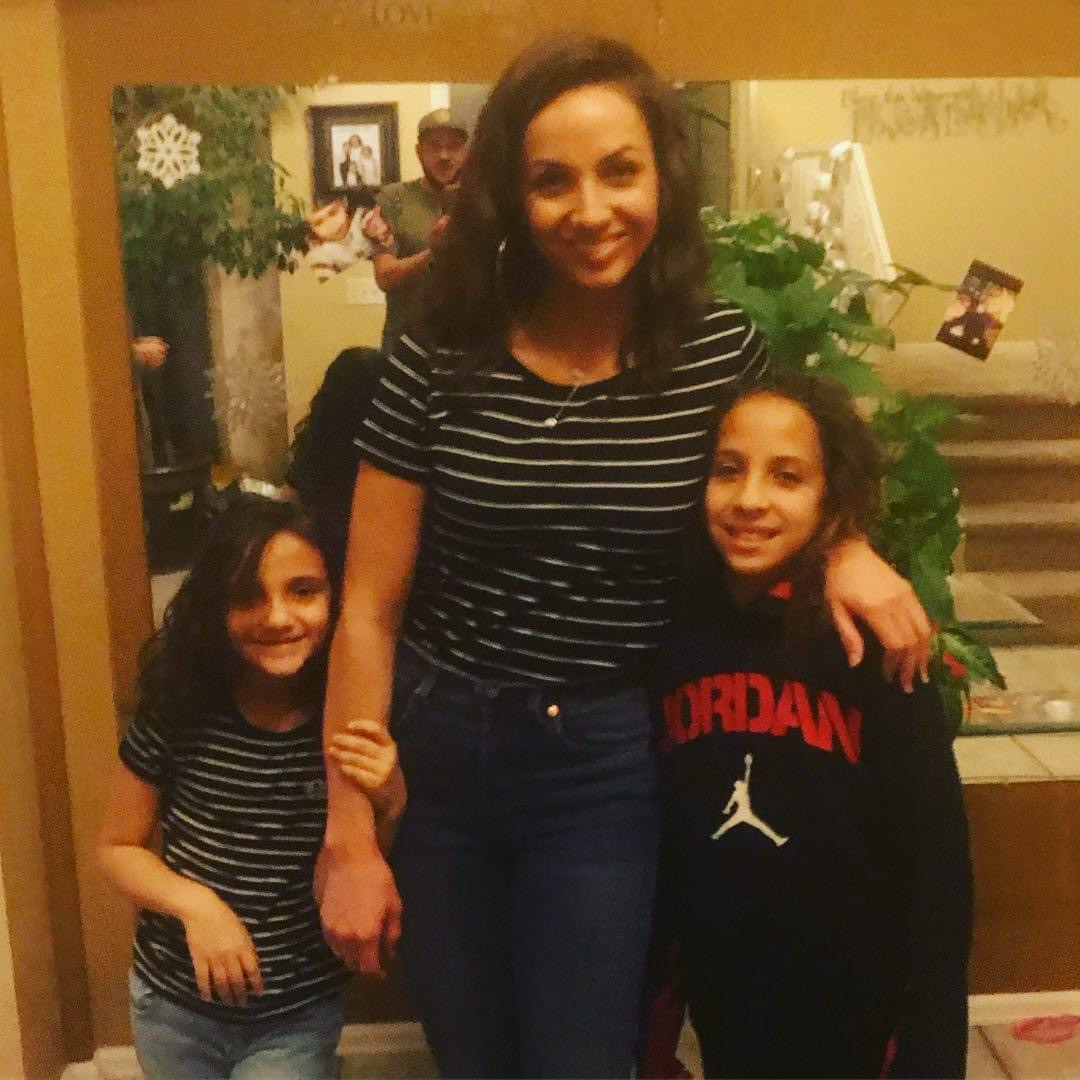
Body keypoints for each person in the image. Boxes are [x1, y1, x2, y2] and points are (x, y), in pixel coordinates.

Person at [317, 33, 933, 1079]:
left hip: (603, 762)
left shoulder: (717, 351)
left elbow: (778, 482)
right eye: (552, 180)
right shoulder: (437, 351)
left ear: (663, 179)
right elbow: (369, 608)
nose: (591, 209)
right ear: (510, 195)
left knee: (582, 1063)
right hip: (433, 757)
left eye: (619, 171)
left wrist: (847, 548)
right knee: (476, 1063)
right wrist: (348, 834)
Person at [645, 372, 972, 1079]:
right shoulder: (674, 631)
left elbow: (938, 869)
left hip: (858, 1009)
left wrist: (931, 1047)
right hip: (728, 997)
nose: (749, 499)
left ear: (831, 496)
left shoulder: (874, 645)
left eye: (787, 476)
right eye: (727, 470)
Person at [96, 496, 401, 1079]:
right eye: (248, 596)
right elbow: (116, 848)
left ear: (337, 597)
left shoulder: (349, 719)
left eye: (303, 591)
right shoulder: (179, 710)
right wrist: (198, 907)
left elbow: (360, 869)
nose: (277, 617)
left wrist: (389, 798)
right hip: (174, 1008)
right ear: (217, 606)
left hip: (295, 1016)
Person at [370, 107, 469, 354]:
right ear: (419, 152)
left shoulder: (485, 201)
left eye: (454, 146)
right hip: (405, 344)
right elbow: (384, 276)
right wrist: (434, 254)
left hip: (468, 346)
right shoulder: (392, 199)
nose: (444, 155)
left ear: (467, 151)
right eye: (434, 146)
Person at [285, 346, 385, 584]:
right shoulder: (385, 455)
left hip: (317, 565)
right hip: (370, 573)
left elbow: (288, 501)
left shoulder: (314, 441)